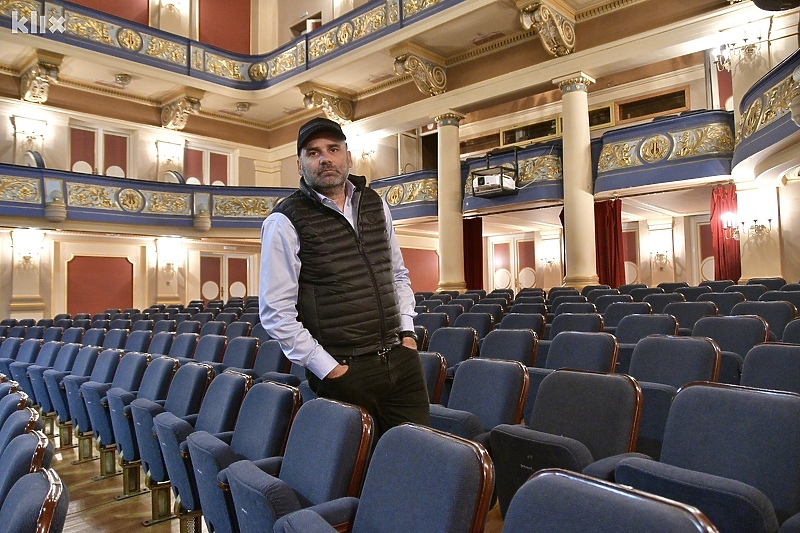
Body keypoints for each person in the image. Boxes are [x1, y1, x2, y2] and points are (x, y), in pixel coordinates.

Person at [258, 116, 430, 437]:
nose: (325, 158)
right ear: (299, 165)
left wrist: (407, 333)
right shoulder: (284, 220)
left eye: (333, 149)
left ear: (348, 157)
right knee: (359, 472)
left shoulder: (375, 205)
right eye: (313, 152)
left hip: (400, 360)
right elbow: (276, 313)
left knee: (418, 461)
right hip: (346, 372)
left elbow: (397, 275)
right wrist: (329, 369)